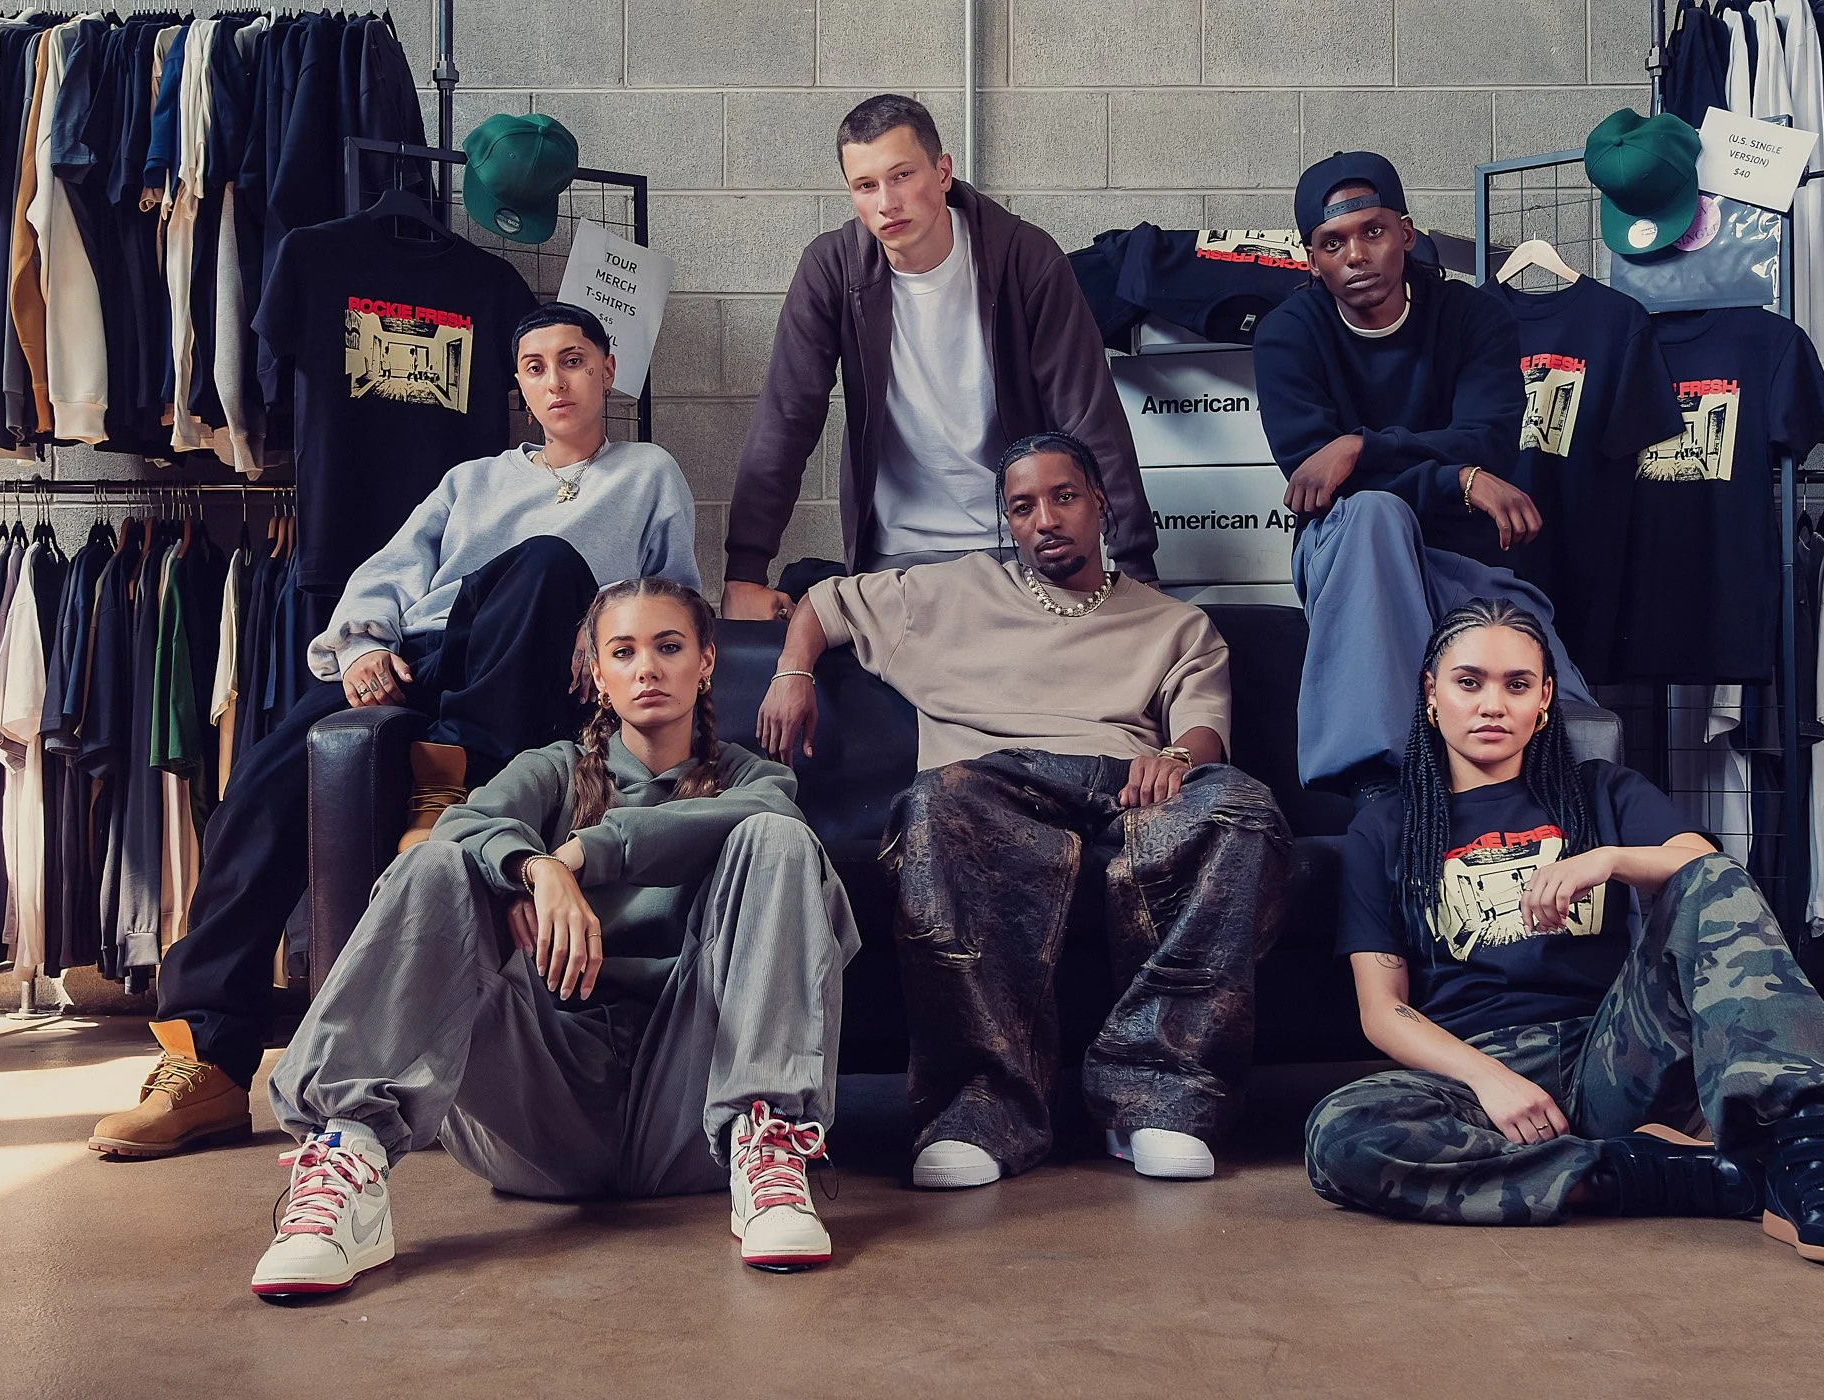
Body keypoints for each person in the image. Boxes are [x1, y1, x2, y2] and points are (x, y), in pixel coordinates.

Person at [89, 303, 701, 1160]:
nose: (555, 381)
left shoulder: (648, 473)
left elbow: (673, 603)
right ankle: (208, 1062)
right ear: (520, 387)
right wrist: (366, 649)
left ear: (607, 370)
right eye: (535, 367)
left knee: (546, 562)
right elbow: (392, 571)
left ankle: (454, 799)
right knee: (264, 786)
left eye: (573, 361)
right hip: (428, 659)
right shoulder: (473, 480)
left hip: (539, 659)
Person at [248, 578, 860, 1296]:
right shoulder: (554, 770)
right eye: (623, 652)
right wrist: (530, 867)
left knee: (780, 841)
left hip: (696, 1115)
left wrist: (581, 855)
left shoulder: (754, 778)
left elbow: (761, 819)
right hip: (540, 1104)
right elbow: (463, 825)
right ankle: (347, 1153)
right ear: (597, 674)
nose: (648, 669)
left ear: (707, 662)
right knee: (443, 860)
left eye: (669, 647)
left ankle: (774, 1147)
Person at [757, 432, 1290, 1189]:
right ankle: (980, 1113)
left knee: (1239, 806)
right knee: (934, 805)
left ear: (1101, 503)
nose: (1045, 518)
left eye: (1064, 496)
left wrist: (1174, 759)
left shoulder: (1174, 623)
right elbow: (823, 602)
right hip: (991, 787)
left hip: (1122, 788)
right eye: (1023, 506)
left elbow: (1203, 728)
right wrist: (792, 671)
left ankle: (1155, 1103)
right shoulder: (947, 592)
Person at [1306, 599, 1824, 1269]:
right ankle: (1670, 1174)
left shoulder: (1602, 791)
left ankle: (1814, 1160)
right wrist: (1491, 1079)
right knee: (1341, 1134)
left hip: (1614, 1051)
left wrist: (1609, 859)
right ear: (1431, 694)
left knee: (1712, 877)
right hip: (1475, 1073)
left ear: (1544, 699)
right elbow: (1383, 1009)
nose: (1493, 704)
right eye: (1470, 682)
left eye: (1516, 684)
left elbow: (1706, 869)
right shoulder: (1385, 829)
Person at [721, 94, 1156, 621]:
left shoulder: (1022, 258)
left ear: (943, 171)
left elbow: (1089, 416)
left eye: (902, 175)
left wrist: (1135, 568)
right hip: (895, 560)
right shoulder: (833, 269)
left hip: (1018, 552)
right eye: (866, 185)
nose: (886, 202)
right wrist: (745, 571)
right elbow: (786, 420)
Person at [1252, 151, 1591, 798]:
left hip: (1457, 554)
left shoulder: (1472, 316)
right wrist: (1456, 479)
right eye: (1333, 243)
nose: (1355, 255)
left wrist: (1359, 444)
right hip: (1348, 550)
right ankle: (1388, 782)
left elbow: (1486, 440)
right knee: (1378, 513)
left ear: (1406, 234)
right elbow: (1317, 482)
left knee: (1568, 720)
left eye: (1372, 232)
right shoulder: (1289, 334)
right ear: (1311, 259)